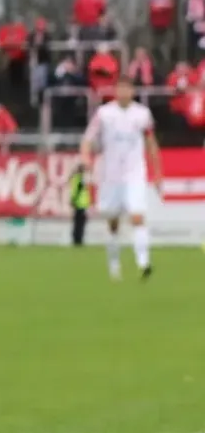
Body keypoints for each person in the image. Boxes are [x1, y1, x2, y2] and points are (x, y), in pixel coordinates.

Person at [80, 74, 163, 280]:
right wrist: (86, 158)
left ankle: (144, 263)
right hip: (110, 176)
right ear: (115, 90)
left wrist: (158, 172)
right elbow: (88, 139)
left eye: (127, 88)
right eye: (120, 88)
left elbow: (151, 143)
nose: (123, 92)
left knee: (137, 215)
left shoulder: (142, 114)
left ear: (133, 91)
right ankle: (114, 264)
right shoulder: (104, 113)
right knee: (113, 222)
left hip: (135, 173)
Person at [67, 162, 91, 247]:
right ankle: (78, 240)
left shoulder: (77, 178)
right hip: (80, 204)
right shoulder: (80, 179)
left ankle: (77, 239)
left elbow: (75, 189)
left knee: (78, 223)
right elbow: (77, 190)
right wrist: (73, 200)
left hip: (80, 204)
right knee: (79, 224)